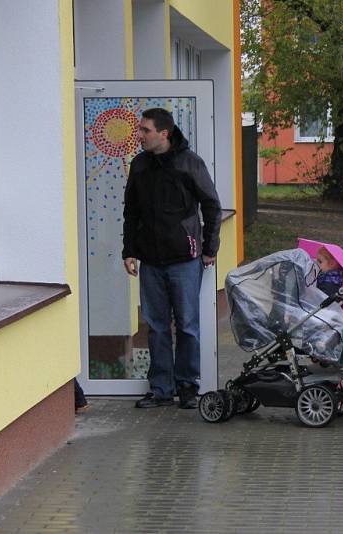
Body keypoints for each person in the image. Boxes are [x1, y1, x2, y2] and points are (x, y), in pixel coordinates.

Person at [123, 108, 222, 410]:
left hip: (185, 260)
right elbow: (131, 212)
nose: (139, 135)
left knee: (188, 325)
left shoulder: (189, 163)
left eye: (145, 130)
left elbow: (212, 206)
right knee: (156, 327)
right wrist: (129, 251)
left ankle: (188, 386)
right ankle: (161, 389)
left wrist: (209, 248)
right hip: (150, 261)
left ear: (163, 133)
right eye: (140, 130)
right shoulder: (139, 165)